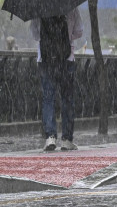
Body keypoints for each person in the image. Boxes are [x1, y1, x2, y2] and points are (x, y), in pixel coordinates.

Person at [29, 9, 83, 151]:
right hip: (67, 58)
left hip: (46, 59)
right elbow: (79, 31)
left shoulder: (39, 8)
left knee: (48, 98)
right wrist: (66, 37)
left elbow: (35, 35)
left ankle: (50, 137)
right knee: (67, 98)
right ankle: (66, 139)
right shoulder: (71, 8)